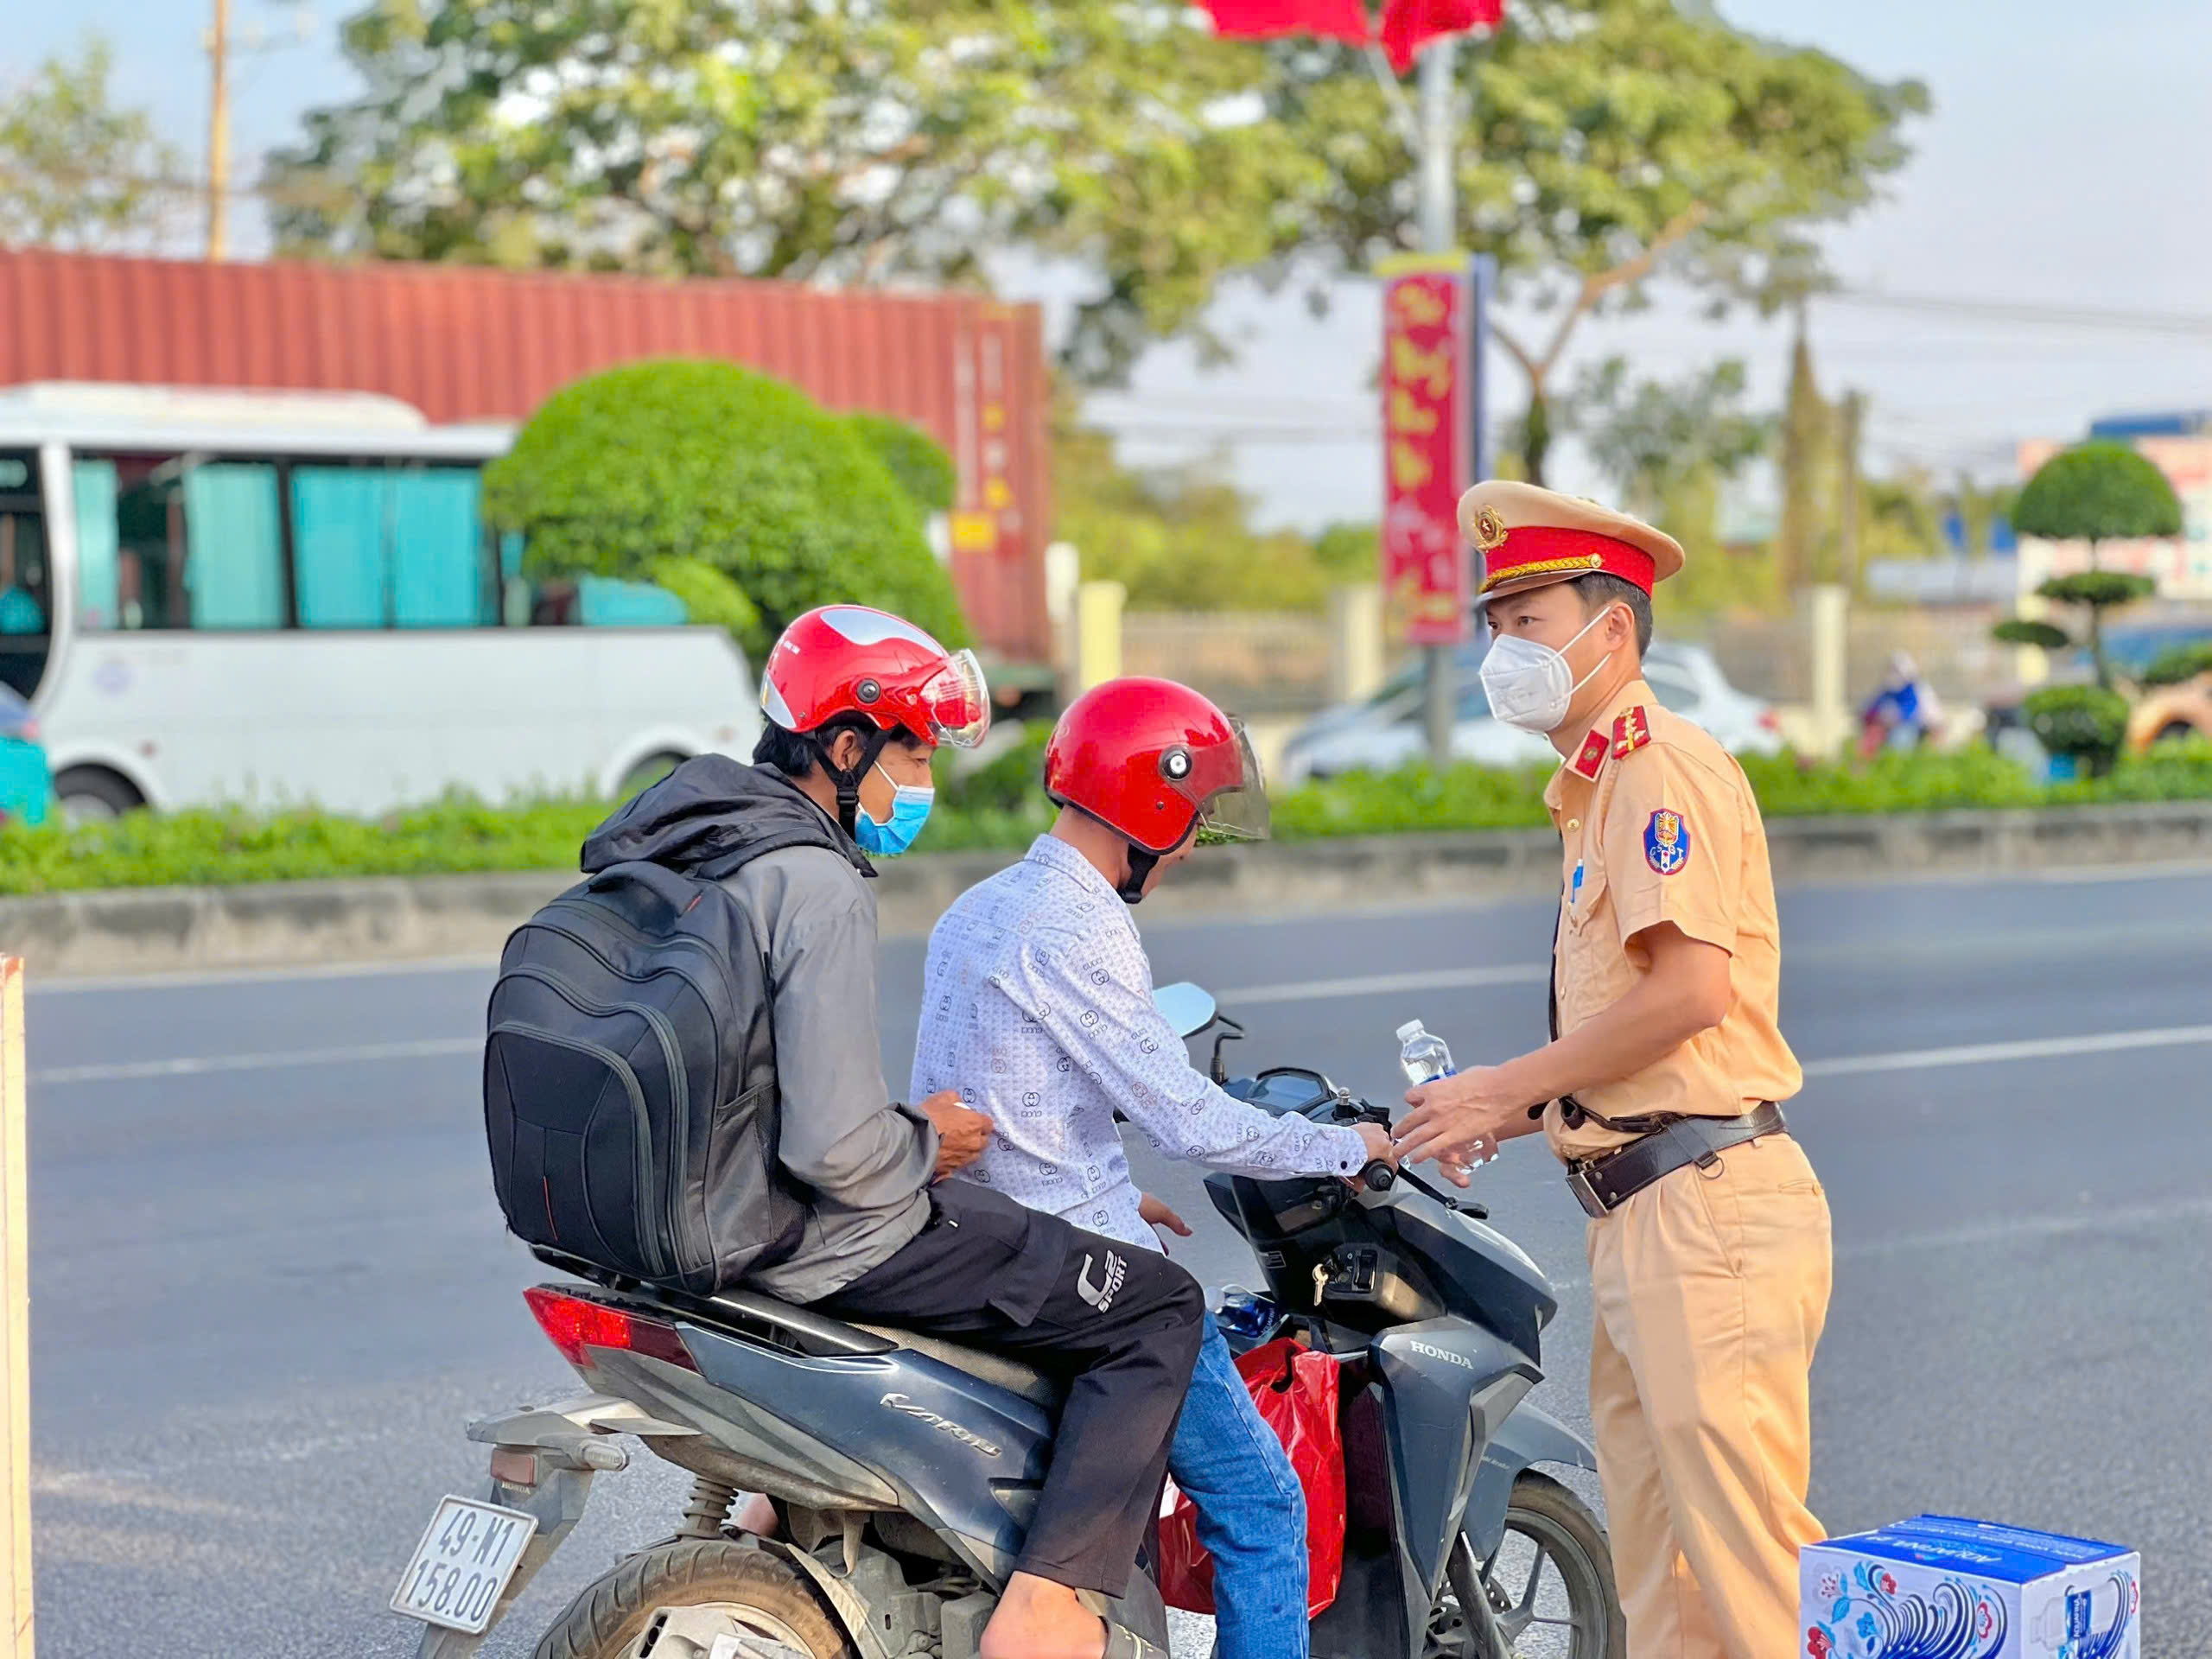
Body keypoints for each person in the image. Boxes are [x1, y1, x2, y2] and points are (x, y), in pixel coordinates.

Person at [582, 606, 1201, 1659]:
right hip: (798, 1236)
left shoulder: (681, 848)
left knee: (1014, 1237)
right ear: (845, 744)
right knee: (1155, 1309)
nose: (921, 777)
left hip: (677, 1220)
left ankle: (802, 1510)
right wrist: (924, 1141)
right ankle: (1050, 1607)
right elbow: (836, 1150)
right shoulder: (810, 881)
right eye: (911, 749)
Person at [1393, 483, 1833, 1659]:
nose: (1502, 651)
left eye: (1527, 622)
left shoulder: (1656, 768)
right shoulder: (1591, 789)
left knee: (1750, 1576)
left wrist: (1501, 1088)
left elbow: (1693, 995)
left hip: (1708, 1213)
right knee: (1664, 1584)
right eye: (1493, 626)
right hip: (1644, 1212)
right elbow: (1629, 1027)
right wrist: (1513, 1099)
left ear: (1613, 630)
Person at [912, 677, 1398, 1659]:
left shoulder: (981, 905)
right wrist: (1348, 1147)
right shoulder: (1082, 926)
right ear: (1156, 806)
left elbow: (978, 1101)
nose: (1185, 849)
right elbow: (1187, 1119)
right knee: (1264, 1510)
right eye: (1192, 818)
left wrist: (1097, 1177)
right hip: (1083, 1273)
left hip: (982, 1231)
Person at [1859, 650, 1942, 754]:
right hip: (1892, 728)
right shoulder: (1888, 689)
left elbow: (1913, 712)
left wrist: (1895, 716)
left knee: (1901, 738)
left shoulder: (1914, 689)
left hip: (1917, 728)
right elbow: (1873, 706)